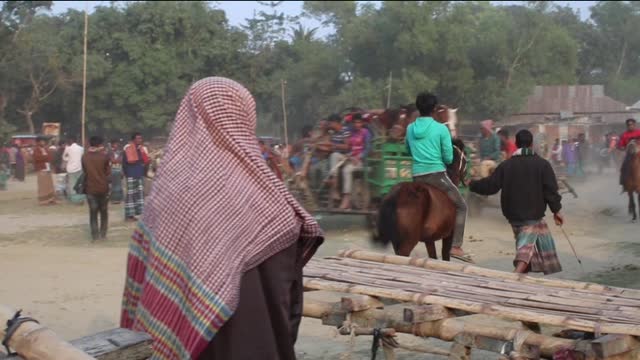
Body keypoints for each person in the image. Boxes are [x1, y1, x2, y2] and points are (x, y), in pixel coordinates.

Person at [120, 77, 323, 360]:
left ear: (189, 117)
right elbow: (288, 297)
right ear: (245, 117)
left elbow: (146, 286)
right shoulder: (273, 198)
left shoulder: (167, 195)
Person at [469, 130, 564, 275]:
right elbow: (551, 191)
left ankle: (523, 276)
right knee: (525, 250)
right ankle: (515, 276)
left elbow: (491, 186)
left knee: (524, 245)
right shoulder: (543, 165)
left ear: (517, 144)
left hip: (512, 214)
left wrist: (472, 184)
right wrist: (556, 210)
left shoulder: (506, 166)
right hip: (532, 214)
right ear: (532, 144)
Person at [406, 92, 468, 260]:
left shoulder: (410, 128)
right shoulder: (441, 129)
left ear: (418, 108)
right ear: (434, 109)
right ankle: (456, 246)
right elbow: (448, 158)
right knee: (462, 206)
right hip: (436, 176)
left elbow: (408, 150)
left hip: (416, 176)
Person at [339, 114, 371, 209]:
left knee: (346, 170)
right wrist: (349, 156)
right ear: (352, 123)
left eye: (359, 122)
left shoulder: (366, 132)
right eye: (355, 122)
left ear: (362, 123)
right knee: (336, 166)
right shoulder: (349, 132)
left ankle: (347, 197)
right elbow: (348, 147)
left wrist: (359, 157)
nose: (357, 124)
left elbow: (368, 148)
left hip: (360, 161)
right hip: (349, 158)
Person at [82, 136, 111, 241]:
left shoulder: (84, 157)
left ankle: (95, 236)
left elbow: (84, 171)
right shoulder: (104, 156)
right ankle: (103, 234)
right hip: (103, 187)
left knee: (93, 212)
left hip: (90, 188)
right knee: (104, 212)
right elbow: (108, 172)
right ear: (100, 145)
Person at [123, 133, 148, 221]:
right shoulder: (129, 149)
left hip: (139, 173)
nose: (140, 140)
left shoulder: (141, 149)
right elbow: (129, 161)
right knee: (130, 195)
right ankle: (129, 215)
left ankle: (137, 214)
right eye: (138, 138)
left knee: (140, 195)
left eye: (141, 138)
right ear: (133, 140)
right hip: (131, 174)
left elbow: (146, 161)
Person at [326, 114, 351, 203]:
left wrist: (334, 145)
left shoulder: (345, 131)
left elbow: (347, 147)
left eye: (330, 123)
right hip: (336, 158)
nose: (329, 125)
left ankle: (335, 186)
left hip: (345, 157)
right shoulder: (332, 133)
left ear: (335, 123)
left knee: (334, 155)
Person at [33, 137, 57, 205]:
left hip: (48, 168)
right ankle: (43, 201)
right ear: (38, 142)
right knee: (43, 185)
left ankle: (51, 199)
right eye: (41, 141)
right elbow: (37, 158)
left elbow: (50, 157)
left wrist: (46, 157)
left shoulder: (46, 149)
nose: (43, 143)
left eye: (43, 141)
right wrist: (46, 157)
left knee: (50, 185)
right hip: (41, 169)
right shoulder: (36, 150)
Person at [63, 135, 86, 204]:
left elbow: (64, 157)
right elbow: (83, 157)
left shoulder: (68, 148)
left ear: (71, 140)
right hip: (79, 168)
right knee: (79, 184)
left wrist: (69, 159)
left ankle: (74, 199)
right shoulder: (81, 148)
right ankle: (80, 197)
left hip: (70, 169)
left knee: (72, 183)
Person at [109, 139, 124, 204]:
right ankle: (113, 198)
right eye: (115, 144)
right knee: (113, 185)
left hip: (119, 170)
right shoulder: (110, 152)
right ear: (112, 145)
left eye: (117, 144)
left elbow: (121, 160)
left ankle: (119, 198)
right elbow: (112, 160)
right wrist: (116, 160)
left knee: (119, 185)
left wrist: (115, 160)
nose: (116, 145)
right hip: (112, 170)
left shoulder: (121, 152)